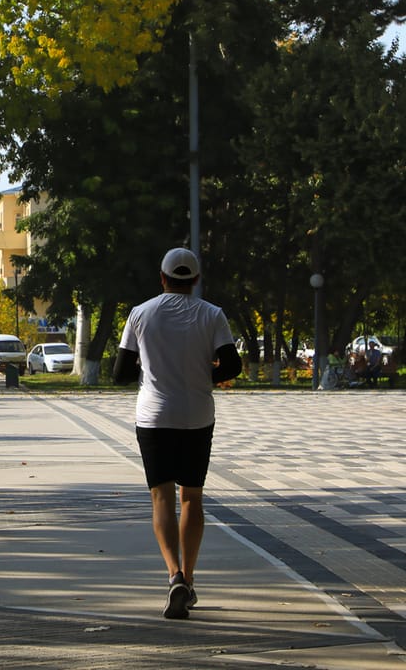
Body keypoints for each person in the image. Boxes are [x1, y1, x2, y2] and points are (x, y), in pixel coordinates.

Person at [112, 247, 242, 619]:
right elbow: (232, 364)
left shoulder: (140, 314)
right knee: (192, 498)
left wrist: (149, 368)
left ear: (162, 278)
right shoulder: (212, 314)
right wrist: (204, 375)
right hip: (197, 416)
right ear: (195, 279)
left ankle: (174, 576)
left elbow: (120, 373)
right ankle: (191, 575)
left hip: (154, 417)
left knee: (161, 498)